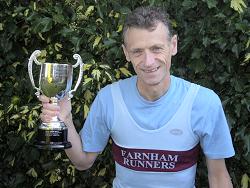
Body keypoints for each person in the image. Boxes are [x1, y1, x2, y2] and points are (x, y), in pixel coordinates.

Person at [39, 6, 235, 188]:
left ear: (173, 45)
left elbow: (218, 176)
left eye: (156, 48)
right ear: (126, 53)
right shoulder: (109, 98)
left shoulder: (204, 102)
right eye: (138, 51)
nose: (148, 61)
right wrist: (64, 120)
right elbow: (82, 162)